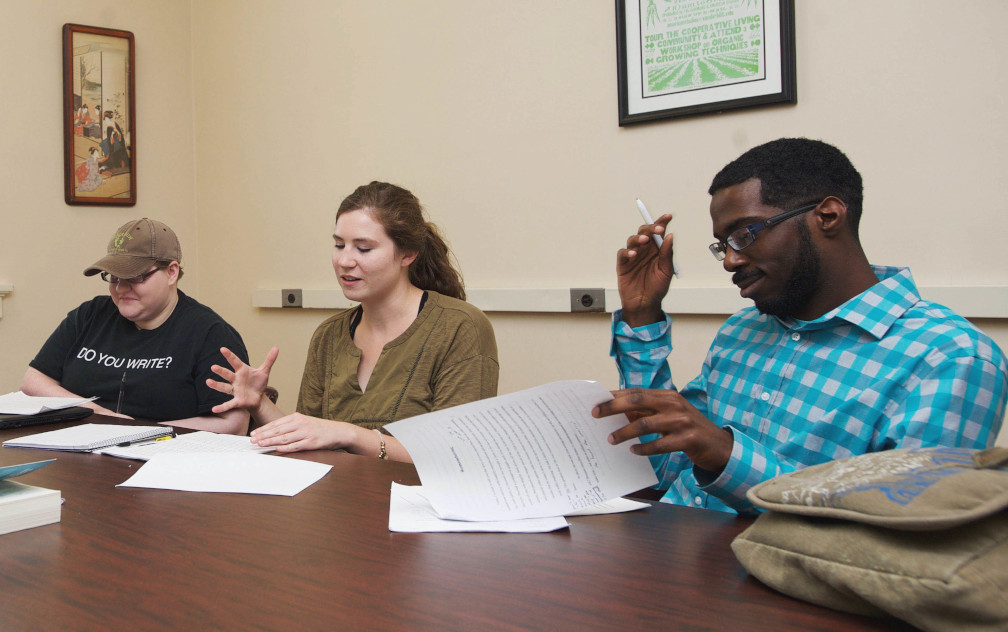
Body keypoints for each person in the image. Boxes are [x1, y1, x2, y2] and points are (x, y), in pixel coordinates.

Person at [594, 138, 1008, 514]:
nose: (730, 261)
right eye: (723, 243)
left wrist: (727, 454)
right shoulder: (742, 332)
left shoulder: (950, 358)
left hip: (786, 588)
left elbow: (907, 533)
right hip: (670, 556)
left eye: (746, 233)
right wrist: (642, 315)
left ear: (827, 216)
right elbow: (666, 472)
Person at [208, 181, 498, 462]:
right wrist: (260, 404)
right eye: (338, 245)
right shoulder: (329, 335)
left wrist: (351, 435)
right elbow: (313, 440)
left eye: (363, 248)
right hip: (337, 500)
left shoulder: (461, 326)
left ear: (407, 254)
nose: (344, 261)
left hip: (420, 505)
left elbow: (456, 454)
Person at [23, 218, 252, 434]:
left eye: (135, 277)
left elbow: (234, 423)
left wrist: (141, 433)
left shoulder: (210, 333)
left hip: (164, 459)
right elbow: (34, 380)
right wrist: (101, 415)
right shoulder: (90, 315)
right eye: (113, 277)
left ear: (171, 272)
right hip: (78, 449)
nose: (120, 289)